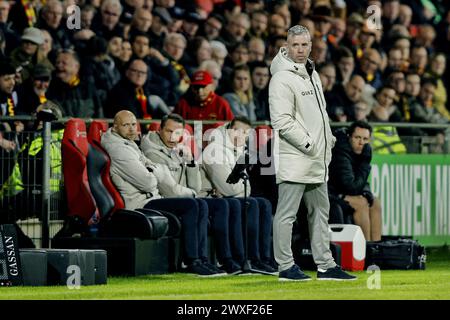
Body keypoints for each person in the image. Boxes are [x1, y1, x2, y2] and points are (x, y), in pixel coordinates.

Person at [269, 25, 356, 281]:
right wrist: (310, 145)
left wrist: (326, 139)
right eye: (295, 45)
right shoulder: (281, 78)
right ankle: (285, 266)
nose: (300, 50)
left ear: (310, 45)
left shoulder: (312, 72)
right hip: (297, 158)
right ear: (286, 46)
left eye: (304, 45)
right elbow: (282, 121)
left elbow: (321, 113)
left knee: (320, 213)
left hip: (317, 160)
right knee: (286, 215)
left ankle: (325, 265)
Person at [101, 110, 225, 277]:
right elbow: (148, 182)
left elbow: (152, 170)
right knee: (192, 205)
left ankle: (201, 259)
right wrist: (156, 174)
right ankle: (190, 261)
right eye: (125, 125)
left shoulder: (128, 144)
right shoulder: (120, 149)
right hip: (140, 203)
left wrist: (184, 164)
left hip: (152, 197)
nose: (131, 129)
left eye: (133, 124)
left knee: (199, 203)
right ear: (115, 128)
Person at [140, 114, 243, 274]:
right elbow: (168, 190)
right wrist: (192, 193)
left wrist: (190, 162)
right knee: (195, 203)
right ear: (159, 130)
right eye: (169, 131)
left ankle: (220, 259)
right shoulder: (151, 152)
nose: (173, 137)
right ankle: (191, 261)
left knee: (222, 204)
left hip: (182, 197)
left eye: (178, 133)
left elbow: (196, 186)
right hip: (160, 200)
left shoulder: (177, 149)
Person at [202, 116, 277, 275]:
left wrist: (242, 186)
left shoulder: (239, 151)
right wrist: (242, 187)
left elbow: (245, 186)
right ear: (228, 129)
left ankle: (260, 259)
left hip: (227, 198)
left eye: (245, 133)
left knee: (263, 203)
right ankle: (238, 259)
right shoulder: (215, 150)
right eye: (237, 130)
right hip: (210, 199)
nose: (241, 135)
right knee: (243, 203)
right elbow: (228, 187)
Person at [328, 121, 382, 241]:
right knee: (361, 203)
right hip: (331, 193)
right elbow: (351, 187)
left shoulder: (358, 152)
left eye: (365, 139)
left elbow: (361, 181)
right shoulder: (341, 151)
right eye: (357, 137)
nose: (361, 142)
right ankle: (365, 251)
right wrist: (365, 162)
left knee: (375, 203)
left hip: (344, 191)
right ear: (349, 137)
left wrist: (366, 192)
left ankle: (376, 249)